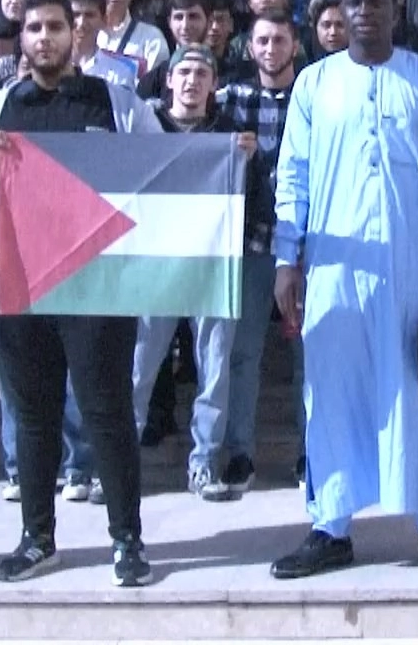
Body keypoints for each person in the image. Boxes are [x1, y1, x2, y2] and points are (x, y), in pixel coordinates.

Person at [270, 0, 418, 582]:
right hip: (334, 264)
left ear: (397, 5)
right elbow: (293, 175)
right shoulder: (314, 83)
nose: (363, 12)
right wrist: (287, 257)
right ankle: (331, 527)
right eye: (353, 2)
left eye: (375, 2)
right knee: (332, 392)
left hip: (415, 261)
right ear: (339, 9)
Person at [0, 0, 161, 586]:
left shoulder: (116, 103)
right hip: (20, 281)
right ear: (21, 38)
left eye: (54, 27)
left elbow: (164, 172)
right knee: (34, 418)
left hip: (98, 284)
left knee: (108, 413)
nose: (44, 37)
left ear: (77, 34)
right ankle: (37, 539)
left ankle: (127, 540)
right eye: (34, 28)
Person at [130, 45, 267, 500]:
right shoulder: (145, 129)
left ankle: (204, 463)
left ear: (214, 85)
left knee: (214, 369)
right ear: (169, 80)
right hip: (156, 266)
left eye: (201, 74)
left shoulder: (230, 134)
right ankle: (118, 463)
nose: (191, 81)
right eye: (184, 72)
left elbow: (253, 201)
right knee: (139, 368)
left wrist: (249, 162)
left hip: (213, 265)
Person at [217, 10, 303, 492]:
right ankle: (240, 453)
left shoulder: (312, 98)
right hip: (248, 242)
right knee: (243, 352)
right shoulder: (230, 99)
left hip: (304, 245)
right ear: (250, 48)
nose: (271, 49)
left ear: (295, 45)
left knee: (309, 358)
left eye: (279, 40)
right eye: (263, 41)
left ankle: (313, 452)